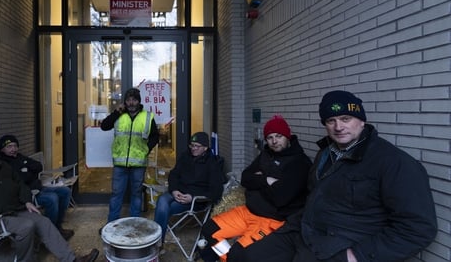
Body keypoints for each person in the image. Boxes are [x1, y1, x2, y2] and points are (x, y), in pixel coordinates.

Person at [231, 91, 438, 262]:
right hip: (303, 231)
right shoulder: (325, 154)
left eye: (346, 119)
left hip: (341, 245)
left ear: (361, 121)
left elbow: (418, 228)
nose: (339, 127)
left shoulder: (393, 162)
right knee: (242, 256)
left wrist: (357, 255)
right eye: (331, 120)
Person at [0, 124, 98, 262]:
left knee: (43, 222)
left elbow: (20, 184)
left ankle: (72, 259)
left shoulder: (1, 165)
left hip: (12, 210)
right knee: (26, 226)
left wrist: (27, 201)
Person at [198, 115, 312, 262]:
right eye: (270, 137)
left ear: (287, 136)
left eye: (279, 136)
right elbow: (245, 178)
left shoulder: (300, 162)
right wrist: (267, 180)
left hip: (271, 220)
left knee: (240, 254)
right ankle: (227, 259)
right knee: (209, 229)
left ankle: (233, 258)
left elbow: (280, 197)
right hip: (248, 211)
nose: (274, 141)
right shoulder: (266, 154)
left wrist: (257, 181)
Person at [100, 87, 159, 228]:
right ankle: (111, 226)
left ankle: (134, 225)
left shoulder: (147, 116)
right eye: (128, 100)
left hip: (138, 165)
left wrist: (146, 149)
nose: (131, 103)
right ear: (125, 102)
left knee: (136, 194)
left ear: (139, 101)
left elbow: (155, 136)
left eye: (134, 100)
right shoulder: (119, 115)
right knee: (116, 195)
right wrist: (116, 112)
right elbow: (104, 126)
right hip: (120, 164)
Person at [0, 134, 75, 241]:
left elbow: (38, 166)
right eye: (9, 147)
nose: (13, 149)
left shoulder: (20, 157)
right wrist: (26, 171)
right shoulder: (2, 163)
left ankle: (57, 227)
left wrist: (25, 170)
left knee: (65, 191)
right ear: (2, 149)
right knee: (52, 198)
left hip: (38, 188)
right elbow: (20, 179)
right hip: (27, 195)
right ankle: (49, 233)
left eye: (15, 146)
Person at [153, 131, 225, 245]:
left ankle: (156, 243)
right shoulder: (185, 156)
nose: (193, 148)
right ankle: (157, 243)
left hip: (194, 200)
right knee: (162, 201)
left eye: (197, 146)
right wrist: (174, 189)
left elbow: (216, 191)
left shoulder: (212, 164)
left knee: (165, 208)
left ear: (205, 148)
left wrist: (192, 197)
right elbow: (174, 174)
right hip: (178, 191)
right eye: (192, 145)